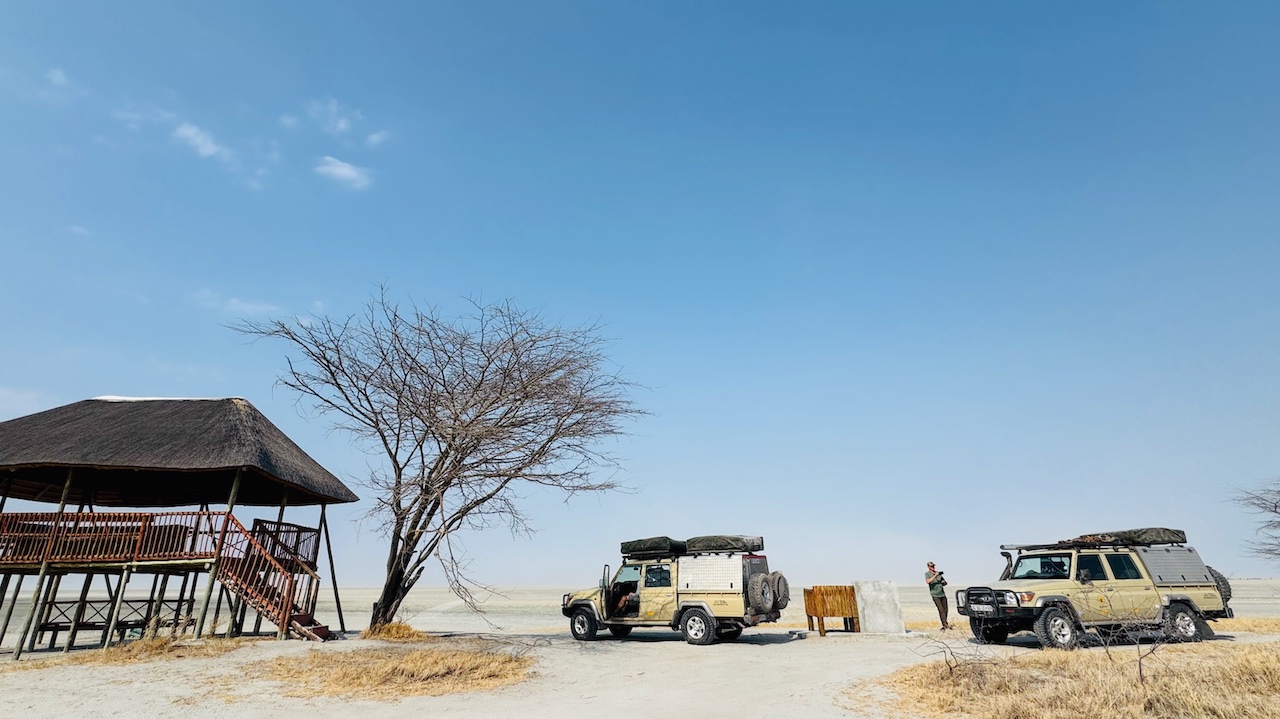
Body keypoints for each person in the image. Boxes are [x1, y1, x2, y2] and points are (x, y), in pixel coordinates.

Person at [926, 561, 951, 630]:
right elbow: (928, 581)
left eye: (933, 566)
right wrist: (935, 576)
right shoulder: (927, 574)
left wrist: (943, 582)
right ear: (928, 567)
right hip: (935, 595)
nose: (933, 567)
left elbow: (945, 583)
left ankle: (945, 623)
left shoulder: (938, 574)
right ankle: (945, 625)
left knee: (946, 609)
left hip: (942, 594)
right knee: (941, 610)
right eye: (931, 566)